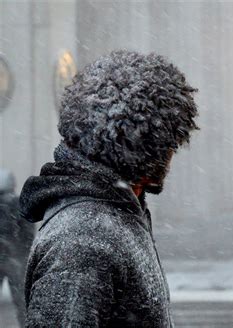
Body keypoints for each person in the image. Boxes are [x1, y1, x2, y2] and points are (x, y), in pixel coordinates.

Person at [19, 51, 199, 327]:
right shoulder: (83, 239)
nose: (174, 152)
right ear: (143, 150)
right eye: (169, 142)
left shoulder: (112, 218)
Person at [0, 169, 35, 327]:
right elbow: (28, 232)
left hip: (7, 256)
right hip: (15, 258)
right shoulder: (19, 203)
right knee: (21, 301)